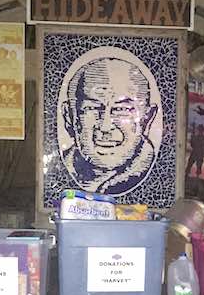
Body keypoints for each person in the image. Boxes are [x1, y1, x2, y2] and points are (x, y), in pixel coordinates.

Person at [60, 55, 160, 195]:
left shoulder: (157, 180)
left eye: (122, 110)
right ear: (69, 117)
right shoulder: (61, 171)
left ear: (147, 119)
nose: (105, 126)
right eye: (92, 108)